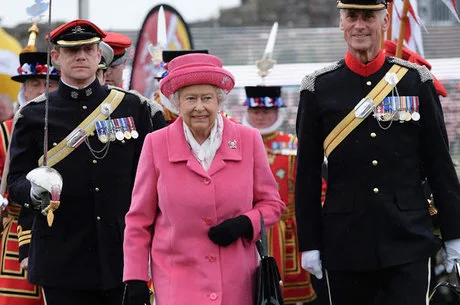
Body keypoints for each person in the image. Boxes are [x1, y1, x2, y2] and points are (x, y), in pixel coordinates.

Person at [295, 1, 460, 304]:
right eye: (352, 17)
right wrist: (309, 242)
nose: (360, 25)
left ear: (384, 22)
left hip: (407, 238)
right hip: (344, 240)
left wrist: (454, 233)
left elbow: (439, 163)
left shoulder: (415, 81)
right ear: (340, 23)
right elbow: (305, 174)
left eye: (368, 17)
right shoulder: (318, 87)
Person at [6, 19, 166, 305]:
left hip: (125, 253)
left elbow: (159, 180)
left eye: (87, 49)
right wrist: (34, 189)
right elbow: (14, 181)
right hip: (61, 256)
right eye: (71, 50)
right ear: (55, 57)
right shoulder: (32, 115)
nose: (80, 56)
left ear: (99, 55)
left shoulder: (137, 109)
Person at [123, 53, 285, 305]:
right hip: (177, 283)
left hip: (237, 284)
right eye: (191, 99)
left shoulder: (248, 140)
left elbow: (273, 204)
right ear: (177, 103)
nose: (200, 107)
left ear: (219, 101)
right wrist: (135, 279)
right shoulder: (156, 144)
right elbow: (138, 222)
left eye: (207, 98)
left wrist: (246, 222)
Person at [0, 29, 61, 305]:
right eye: (35, 83)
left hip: (66, 234)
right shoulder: (4, 132)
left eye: (49, 83)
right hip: (15, 239)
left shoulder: (73, 129)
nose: (41, 91)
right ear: (23, 89)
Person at [242, 85, 317, 305]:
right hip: (247, 231)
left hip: (287, 232)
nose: (260, 117)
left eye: (266, 112)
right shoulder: (236, 143)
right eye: (255, 112)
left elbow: (315, 188)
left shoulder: (293, 145)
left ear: (277, 112)